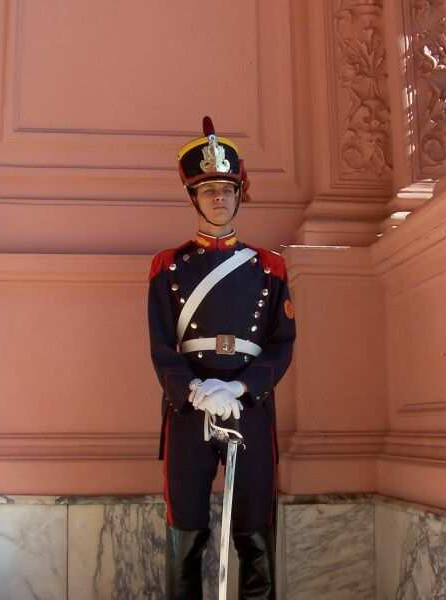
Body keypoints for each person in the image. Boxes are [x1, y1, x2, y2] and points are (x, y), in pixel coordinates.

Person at [147, 116, 296, 599]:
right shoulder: (168, 265)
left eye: (227, 189)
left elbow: (281, 341)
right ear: (193, 196)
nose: (219, 198)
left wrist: (240, 387)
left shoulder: (269, 267)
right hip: (188, 410)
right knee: (186, 530)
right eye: (208, 189)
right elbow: (160, 343)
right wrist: (193, 389)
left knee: (254, 528)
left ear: (239, 195)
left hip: (248, 408)